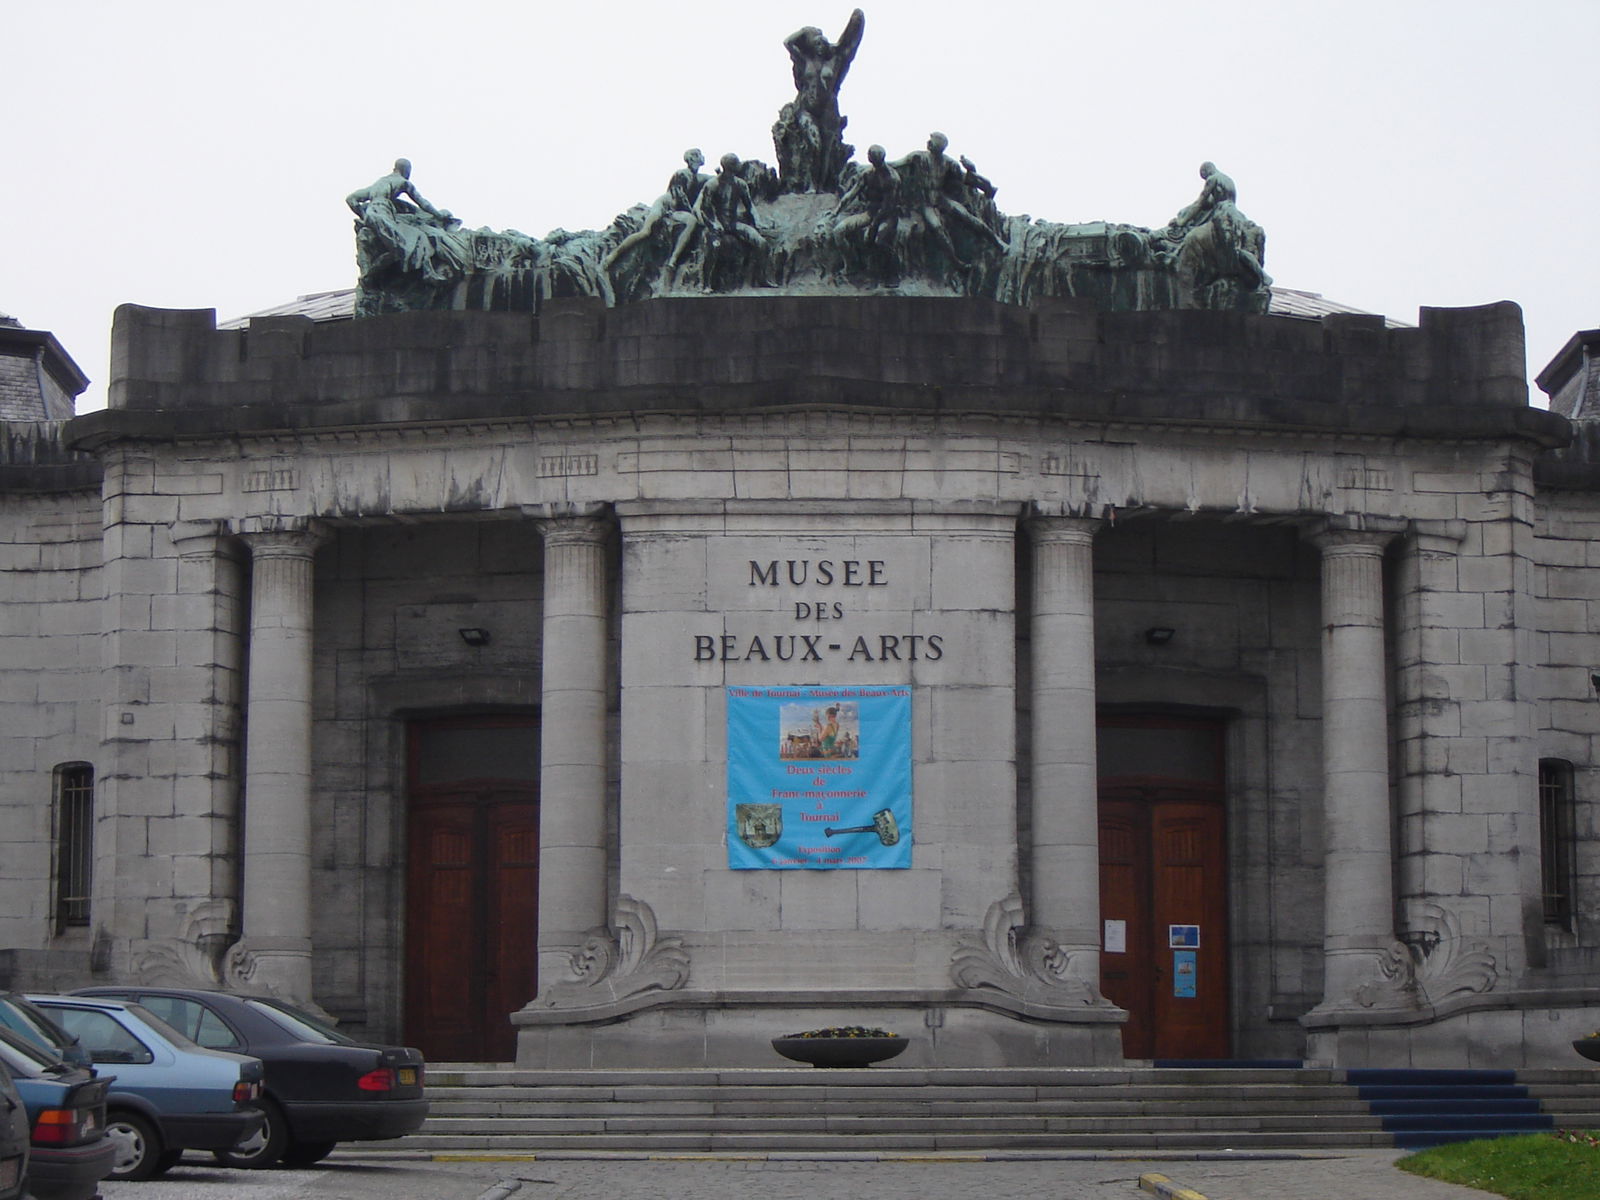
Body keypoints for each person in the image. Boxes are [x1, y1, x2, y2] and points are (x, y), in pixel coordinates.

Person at [775, 9, 866, 191]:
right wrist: (805, 32)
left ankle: (821, 187)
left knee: (826, 151)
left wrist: (857, 18)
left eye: (822, 43)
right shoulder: (805, 60)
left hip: (828, 110)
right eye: (816, 43)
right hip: (806, 109)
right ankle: (810, 184)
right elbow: (788, 43)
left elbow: (851, 43)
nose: (820, 46)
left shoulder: (836, 60)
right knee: (813, 144)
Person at [345, 159, 463, 284]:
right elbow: (422, 202)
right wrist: (438, 215)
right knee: (407, 245)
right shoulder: (403, 182)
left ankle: (371, 275)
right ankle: (426, 273)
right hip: (383, 215)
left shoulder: (379, 183)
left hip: (373, 214)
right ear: (406, 170)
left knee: (399, 247)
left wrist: (365, 215)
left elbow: (351, 199)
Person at [601, 149, 708, 280]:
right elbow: (681, 197)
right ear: (692, 159)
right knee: (645, 232)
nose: (703, 157)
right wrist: (693, 211)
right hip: (663, 205)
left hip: (675, 210)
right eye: (699, 155)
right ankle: (613, 256)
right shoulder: (682, 174)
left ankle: (672, 260)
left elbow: (711, 179)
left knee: (691, 221)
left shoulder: (696, 177)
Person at [691, 153, 771, 288]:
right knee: (714, 247)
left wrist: (757, 221)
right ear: (730, 166)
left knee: (762, 243)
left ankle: (761, 278)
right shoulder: (712, 184)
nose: (739, 165)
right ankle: (706, 284)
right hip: (716, 224)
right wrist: (714, 224)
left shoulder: (740, 184)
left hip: (734, 223)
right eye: (736, 163)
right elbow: (705, 209)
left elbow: (750, 206)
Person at [832, 144, 902, 278]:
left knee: (879, 241)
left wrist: (873, 225)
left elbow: (888, 206)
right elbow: (851, 194)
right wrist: (836, 211)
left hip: (887, 217)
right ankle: (851, 265)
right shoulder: (867, 174)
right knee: (838, 231)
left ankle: (892, 273)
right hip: (869, 214)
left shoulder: (892, 178)